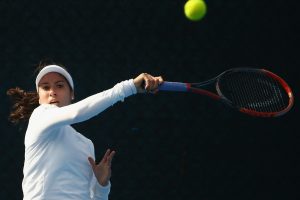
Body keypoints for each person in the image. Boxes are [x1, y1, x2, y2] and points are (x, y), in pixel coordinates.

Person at [7, 61, 163, 200]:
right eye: (45, 87)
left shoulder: (86, 144)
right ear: (39, 98)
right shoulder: (39, 116)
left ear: (72, 94)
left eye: (59, 86)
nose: (52, 92)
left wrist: (102, 186)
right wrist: (130, 87)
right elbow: (77, 112)